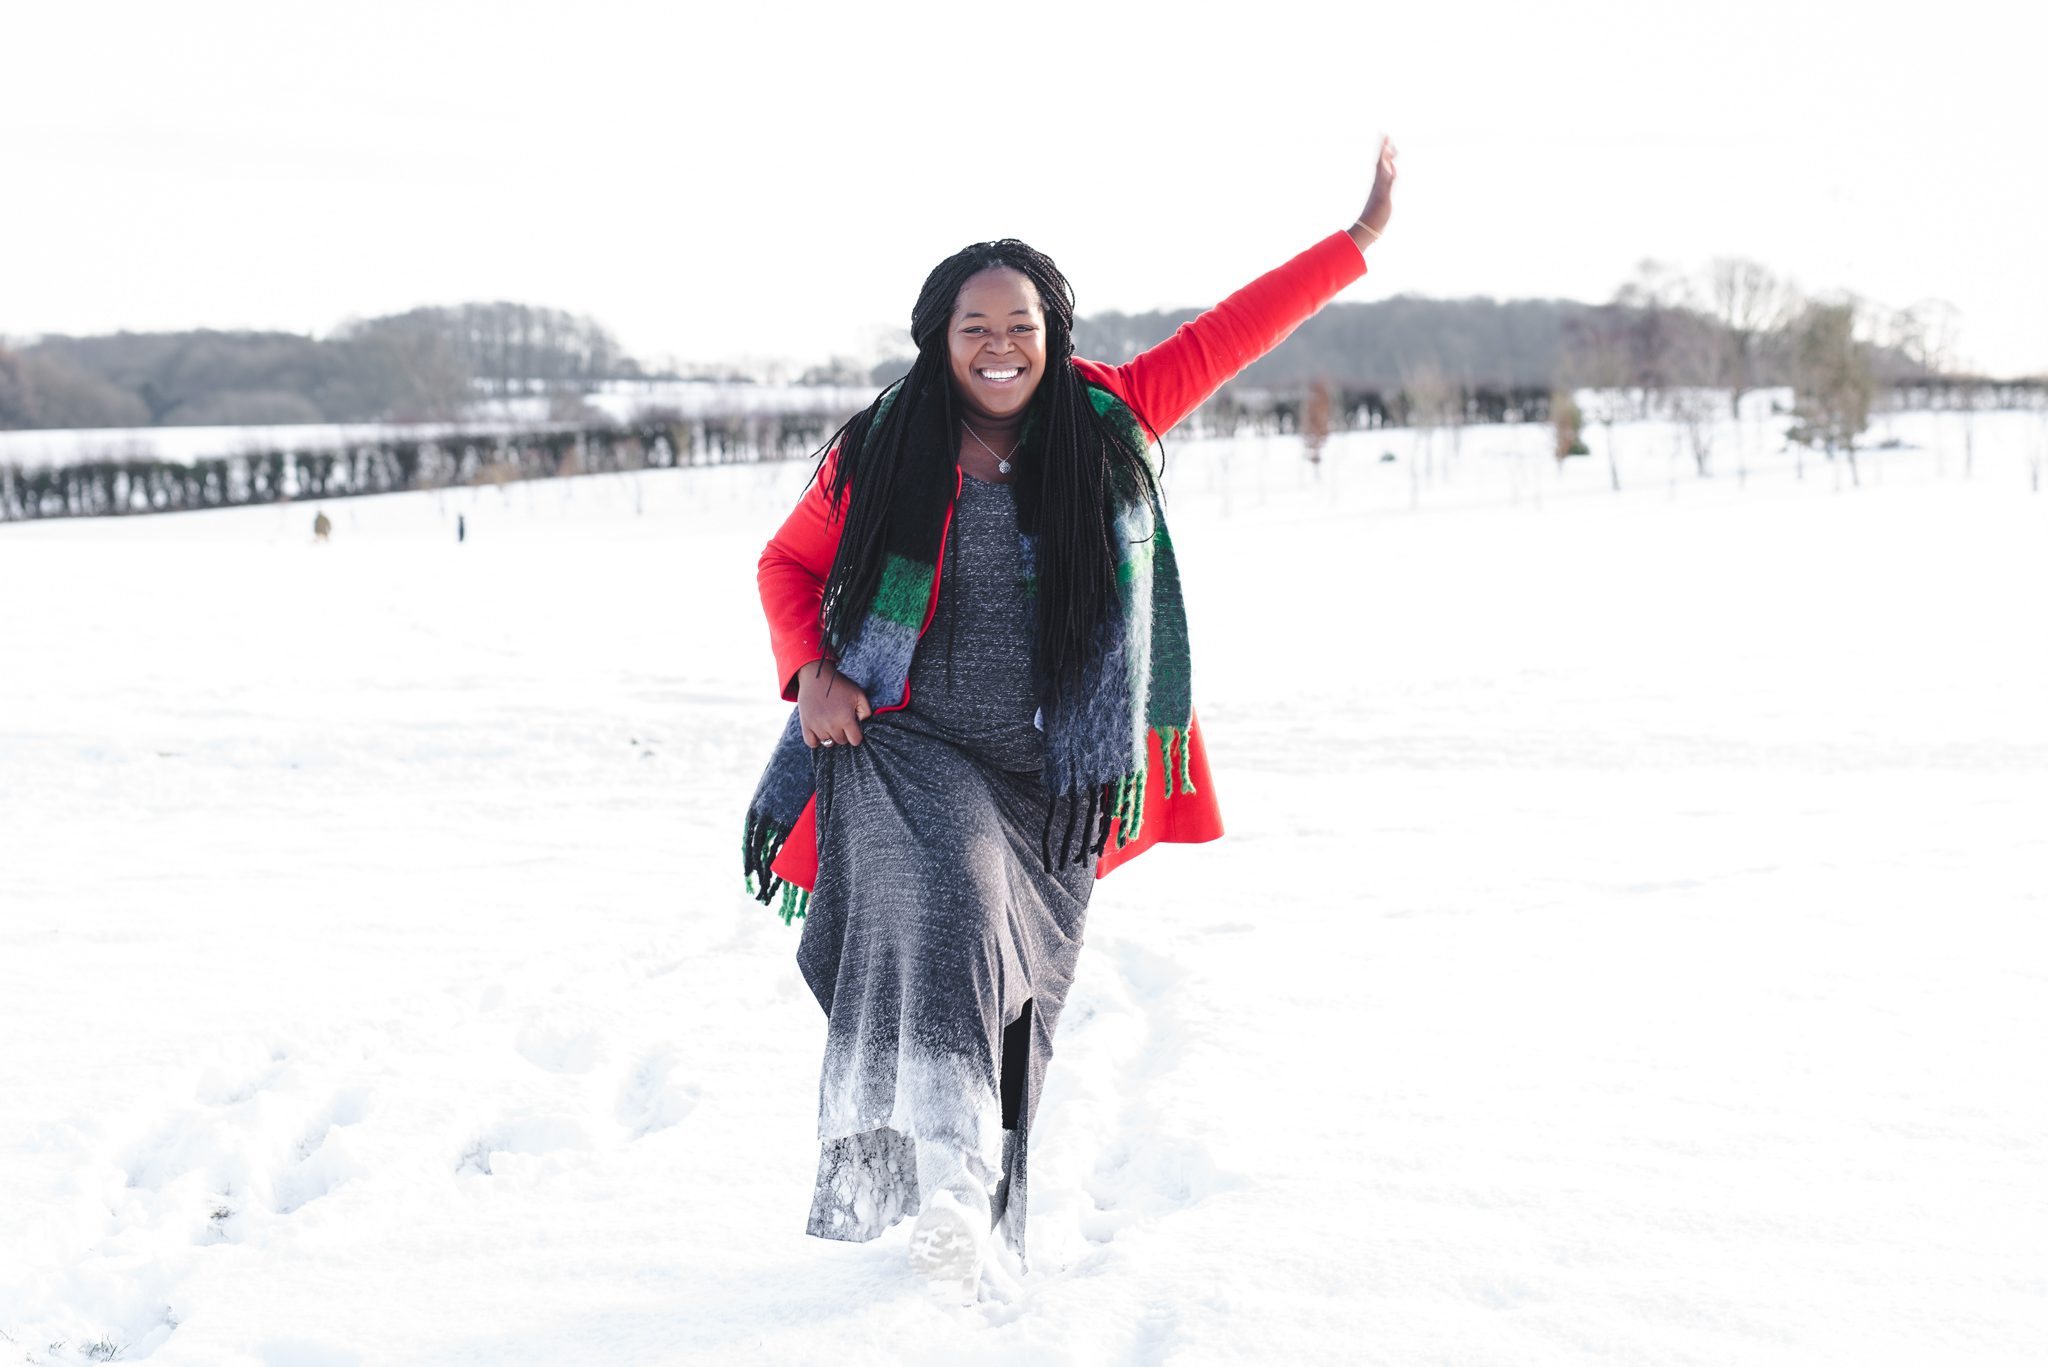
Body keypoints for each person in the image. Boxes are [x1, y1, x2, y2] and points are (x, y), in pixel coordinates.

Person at [743, 136, 1398, 1301]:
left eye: (1020, 326)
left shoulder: (1109, 424)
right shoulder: (883, 450)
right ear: (938, 341)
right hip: (905, 742)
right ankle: (943, 1183)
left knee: (1017, 986)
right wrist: (812, 676)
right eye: (974, 328)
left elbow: (1233, 331)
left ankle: (980, 1199)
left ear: (1055, 334)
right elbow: (785, 566)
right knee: (954, 895)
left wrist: (1351, 245)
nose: (999, 348)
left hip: (1053, 773)